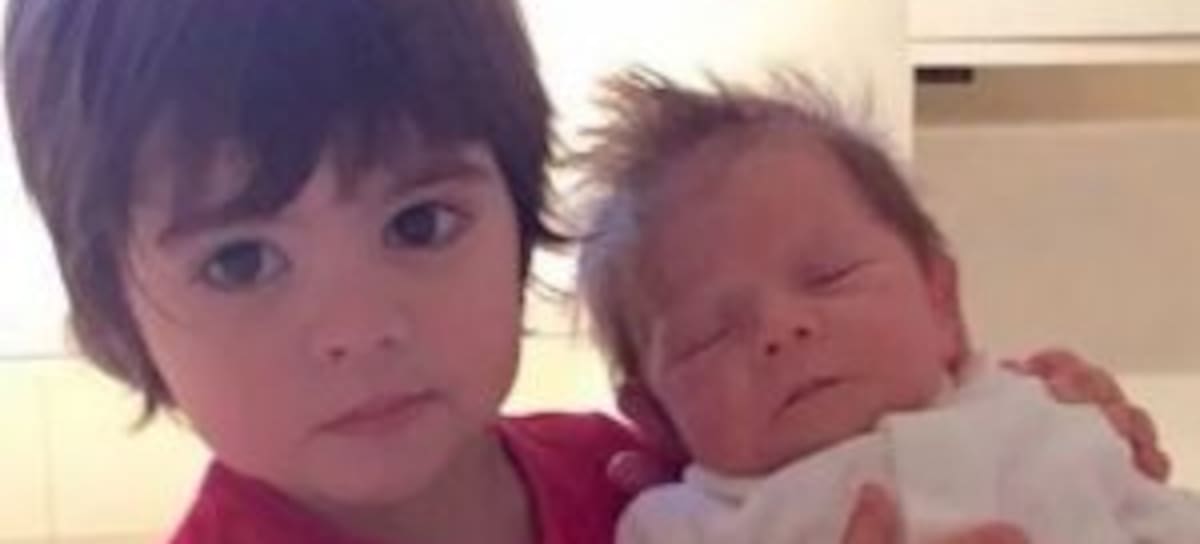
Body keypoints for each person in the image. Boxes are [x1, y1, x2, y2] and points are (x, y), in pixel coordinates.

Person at [2, 2, 1167, 543]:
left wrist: (1037, 430)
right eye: (241, 259)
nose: (357, 326)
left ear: (520, 226)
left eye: (420, 223)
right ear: (115, 320)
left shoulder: (637, 471)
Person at [574, 68, 1198, 544]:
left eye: (831, 277)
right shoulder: (681, 527)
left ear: (941, 303)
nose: (780, 328)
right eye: (711, 334)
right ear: (656, 417)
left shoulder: (1045, 422)